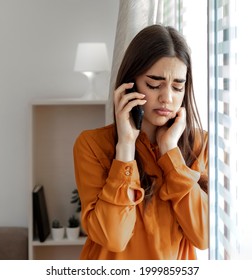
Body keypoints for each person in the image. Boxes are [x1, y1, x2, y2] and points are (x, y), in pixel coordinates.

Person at [73, 24, 208, 260]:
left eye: (178, 86)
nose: (167, 97)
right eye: (154, 84)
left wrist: (170, 153)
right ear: (130, 84)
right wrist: (125, 147)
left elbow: (204, 235)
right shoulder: (92, 145)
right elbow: (114, 237)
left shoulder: (199, 144)